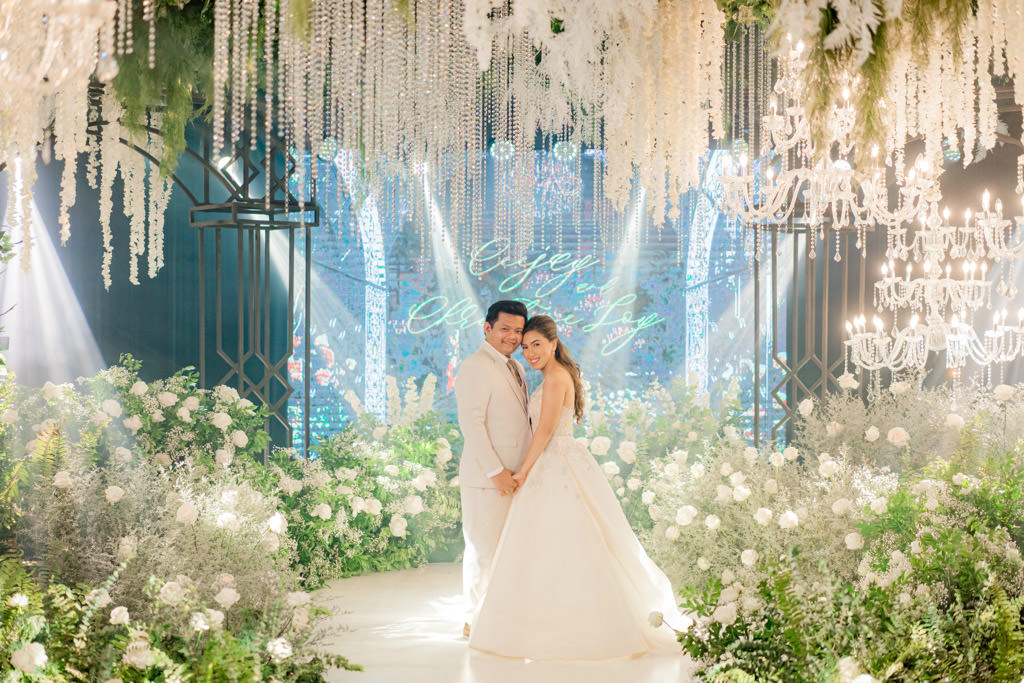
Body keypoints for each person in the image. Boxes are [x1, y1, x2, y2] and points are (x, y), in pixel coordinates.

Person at [468, 315, 688, 661]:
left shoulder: (555, 378)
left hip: (556, 465)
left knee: (569, 542)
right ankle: (545, 619)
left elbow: (543, 432)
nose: (530, 352)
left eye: (536, 344)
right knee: (554, 544)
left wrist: (522, 472)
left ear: (554, 343)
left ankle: (573, 625)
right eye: (525, 348)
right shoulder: (553, 375)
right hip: (557, 462)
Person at [454, 300, 532, 639]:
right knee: (483, 550)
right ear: (487, 328)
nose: (512, 336)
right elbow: (471, 424)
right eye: (505, 329)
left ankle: (499, 615)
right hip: (488, 478)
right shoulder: (475, 365)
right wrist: (495, 470)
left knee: (506, 550)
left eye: (518, 331)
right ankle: (473, 619)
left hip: (516, 475)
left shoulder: (517, 366)